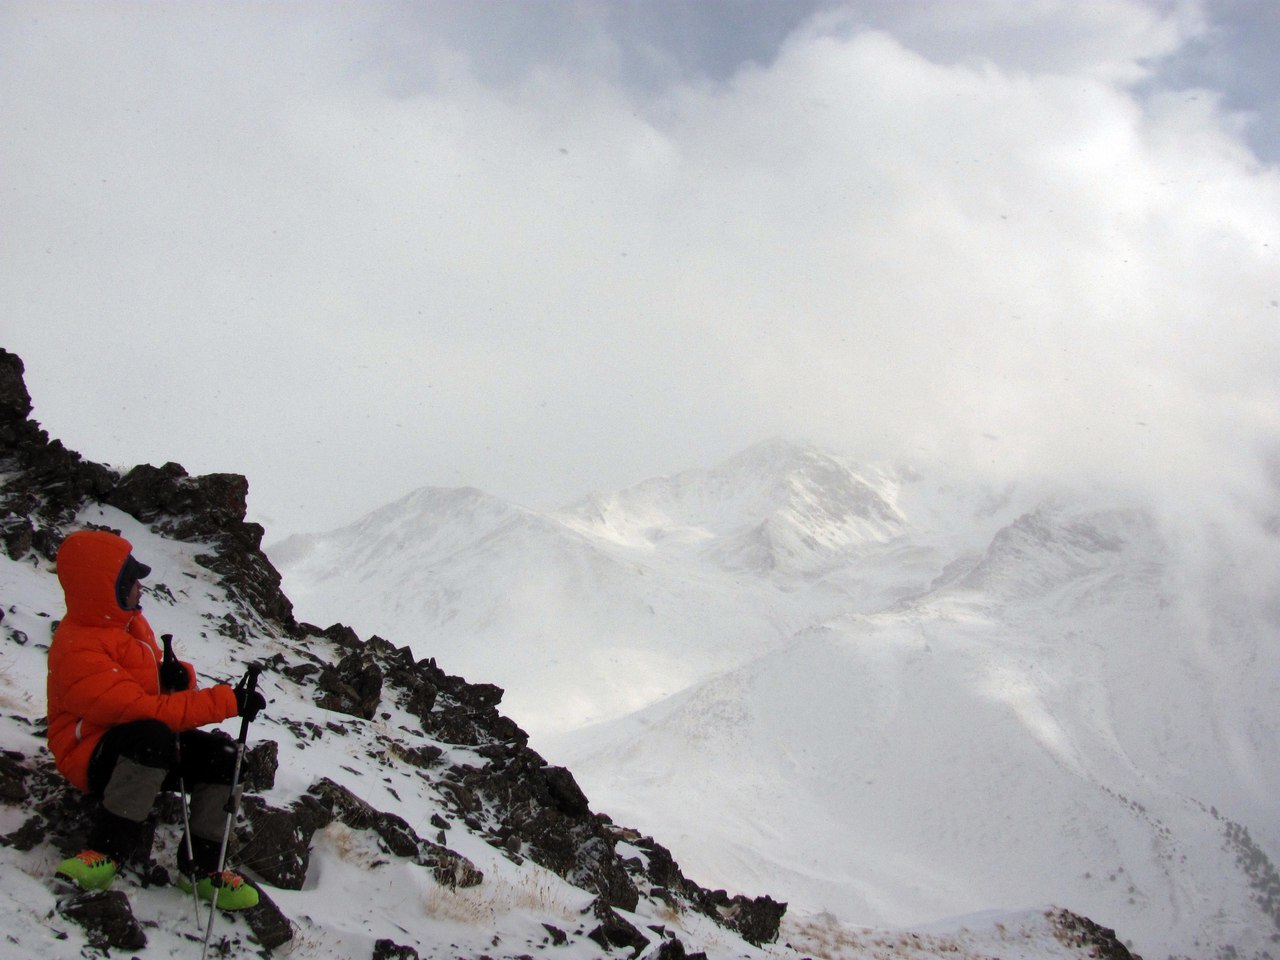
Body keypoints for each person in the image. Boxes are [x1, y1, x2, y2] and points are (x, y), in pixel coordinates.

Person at [46, 529, 267, 910]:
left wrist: (175, 679)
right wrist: (227, 701)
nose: (139, 589)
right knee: (152, 736)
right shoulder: (77, 646)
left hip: (142, 750)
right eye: (131, 581)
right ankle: (105, 853)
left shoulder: (129, 625)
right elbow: (142, 712)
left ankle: (202, 869)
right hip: (91, 755)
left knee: (225, 756)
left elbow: (151, 699)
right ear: (107, 588)